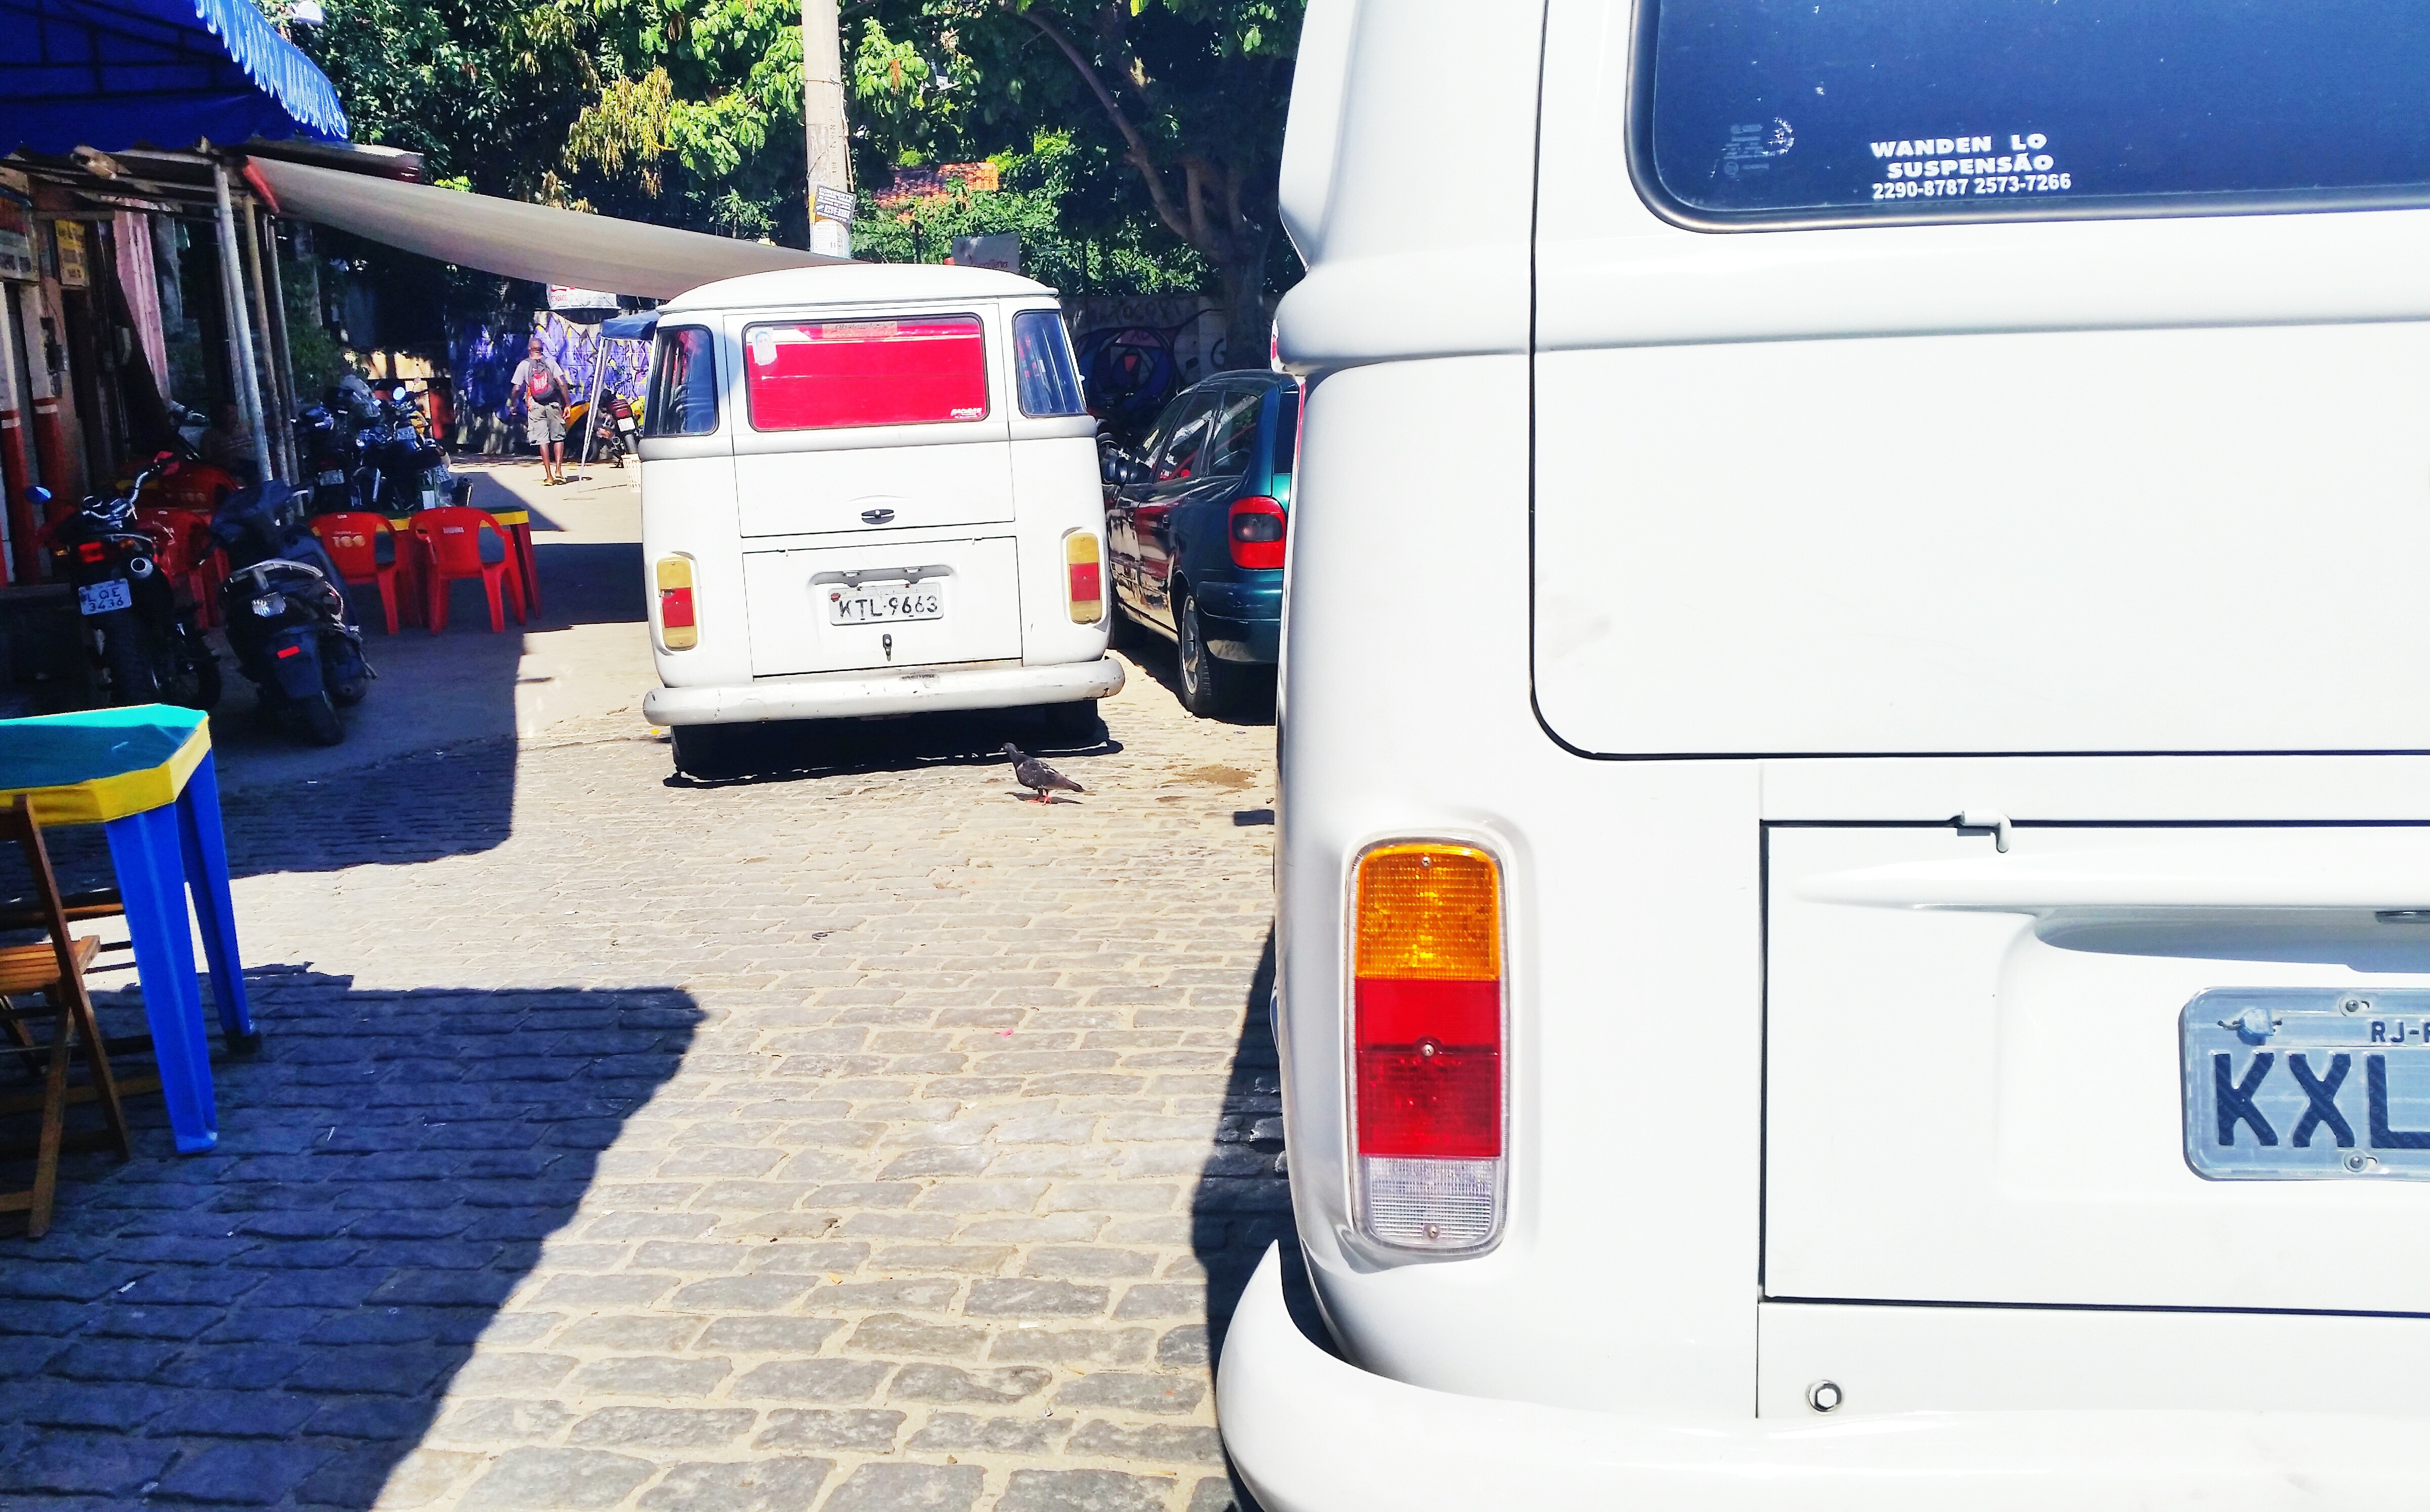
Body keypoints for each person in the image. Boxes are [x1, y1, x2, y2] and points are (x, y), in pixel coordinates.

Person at [510, 336, 574, 485]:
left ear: (530, 350)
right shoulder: (551, 363)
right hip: (553, 404)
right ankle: (559, 471)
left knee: (543, 440)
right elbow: (562, 383)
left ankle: (549, 477)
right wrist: (567, 404)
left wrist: (512, 403)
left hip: (535, 406)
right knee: (558, 437)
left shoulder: (524, 365)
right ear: (542, 349)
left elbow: (517, 388)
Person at [197, 402, 258, 483]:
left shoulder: (247, 427)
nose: (230, 417)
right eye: (227, 413)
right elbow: (206, 461)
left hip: (252, 466)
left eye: (233, 413)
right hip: (227, 473)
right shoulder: (209, 436)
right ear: (220, 415)